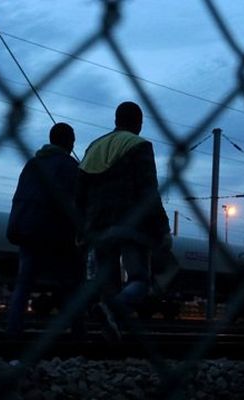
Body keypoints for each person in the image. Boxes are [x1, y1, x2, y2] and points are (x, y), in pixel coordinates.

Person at [76, 101, 171, 341]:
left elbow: (80, 193)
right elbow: (149, 192)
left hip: (96, 226)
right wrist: (163, 229)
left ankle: (112, 330)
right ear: (138, 123)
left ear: (116, 120)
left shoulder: (94, 147)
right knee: (139, 280)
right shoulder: (139, 145)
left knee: (108, 284)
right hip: (130, 225)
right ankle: (113, 312)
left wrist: (81, 228)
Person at [6, 122, 85, 338]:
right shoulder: (69, 166)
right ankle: (77, 330)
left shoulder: (33, 163)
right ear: (69, 142)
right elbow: (74, 203)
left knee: (24, 283)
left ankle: (13, 330)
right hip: (53, 233)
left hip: (25, 229)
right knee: (71, 283)